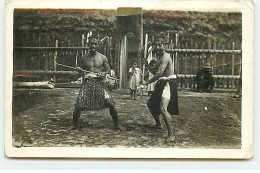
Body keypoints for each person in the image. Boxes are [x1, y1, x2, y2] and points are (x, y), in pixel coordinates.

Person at [72, 37, 120, 130]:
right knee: (78, 104)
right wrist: (79, 70)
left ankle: (117, 124)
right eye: (91, 44)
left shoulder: (103, 57)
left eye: (95, 44)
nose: (93, 46)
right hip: (88, 83)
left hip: (99, 83)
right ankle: (74, 125)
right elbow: (80, 71)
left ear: (98, 45)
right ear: (88, 45)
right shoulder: (84, 58)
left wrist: (103, 73)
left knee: (110, 104)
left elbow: (108, 70)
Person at [142, 38, 179, 143]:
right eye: (156, 46)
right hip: (162, 83)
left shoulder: (166, 57)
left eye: (160, 45)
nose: (158, 47)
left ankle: (171, 134)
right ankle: (158, 124)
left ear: (164, 46)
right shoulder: (160, 58)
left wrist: (147, 82)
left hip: (168, 84)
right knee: (150, 104)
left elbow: (159, 73)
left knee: (163, 109)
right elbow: (155, 71)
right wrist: (147, 65)